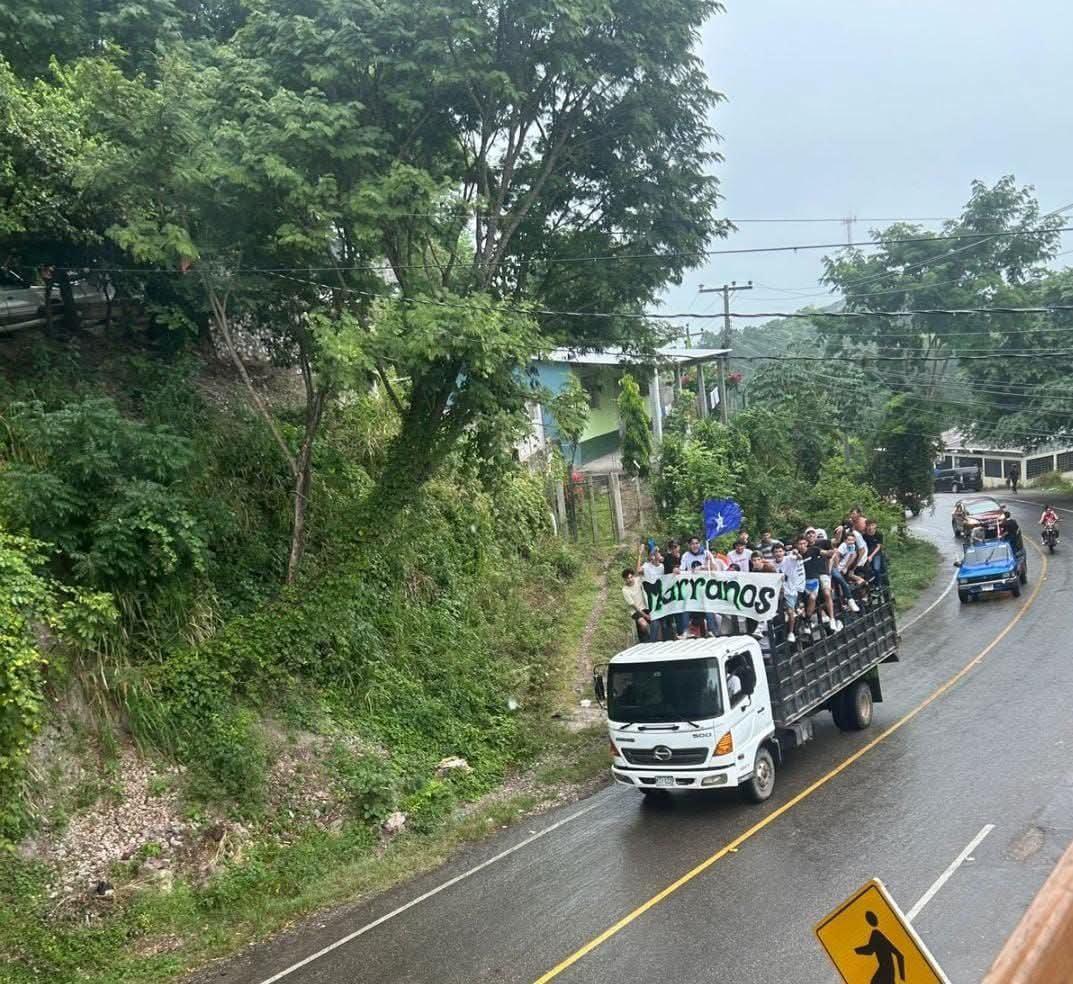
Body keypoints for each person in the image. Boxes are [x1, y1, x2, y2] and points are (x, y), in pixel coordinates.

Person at [802, 529, 842, 633]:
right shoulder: (803, 548)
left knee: (827, 593)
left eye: (812, 533)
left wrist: (839, 532)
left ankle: (832, 618)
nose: (810, 535)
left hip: (822, 572)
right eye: (808, 533)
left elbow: (833, 547)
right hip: (811, 576)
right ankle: (811, 620)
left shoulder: (820, 544)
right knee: (813, 597)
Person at [773, 542, 804, 643]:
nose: (778, 553)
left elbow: (799, 558)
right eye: (776, 552)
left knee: (790, 611)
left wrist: (796, 553)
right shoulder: (771, 564)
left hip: (790, 590)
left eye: (780, 551)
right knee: (776, 614)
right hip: (778, 592)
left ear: (783, 552)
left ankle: (791, 632)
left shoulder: (789, 559)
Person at [641, 548, 673, 641]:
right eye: (654, 554)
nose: (655, 555)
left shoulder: (663, 566)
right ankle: (653, 642)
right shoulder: (646, 566)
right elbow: (638, 571)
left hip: (663, 598)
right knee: (655, 621)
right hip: (652, 599)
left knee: (665, 623)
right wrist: (640, 554)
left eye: (657, 553)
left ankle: (667, 641)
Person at [621, 569, 651, 643]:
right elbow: (633, 605)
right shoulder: (625, 590)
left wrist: (642, 571)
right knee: (644, 624)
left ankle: (648, 637)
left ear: (633, 576)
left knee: (654, 622)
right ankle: (646, 639)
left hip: (645, 607)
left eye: (631, 577)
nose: (630, 580)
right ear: (625, 580)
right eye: (628, 578)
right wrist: (645, 615)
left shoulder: (638, 580)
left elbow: (643, 573)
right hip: (635, 611)